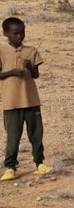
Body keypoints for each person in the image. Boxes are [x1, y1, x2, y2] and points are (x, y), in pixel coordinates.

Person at [1, 17, 49, 181]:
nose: (19, 36)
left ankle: (40, 163)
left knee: (36, 133)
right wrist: (12, 72)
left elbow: (36, 75)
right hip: (11, 102)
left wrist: (30, 67)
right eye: (15, 33)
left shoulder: (31, 50)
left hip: (31, 101)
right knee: (13, 136)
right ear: (6, 33)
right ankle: (10, 167)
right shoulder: (1, 51)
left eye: (22, 33)